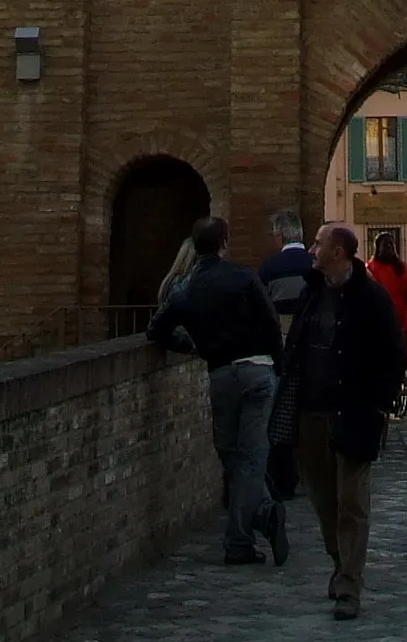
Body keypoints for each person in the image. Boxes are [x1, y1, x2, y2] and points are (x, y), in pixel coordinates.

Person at [271, 224, 405, 623]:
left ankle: (349, 584)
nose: (311, 250)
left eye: (319, 244)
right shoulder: (312, 291)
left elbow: (393, 353)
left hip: (354, 412)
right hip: (311, 411)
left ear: (339, 253)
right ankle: (338, 560)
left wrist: (380, 405)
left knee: (352, 502)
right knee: (323, 499)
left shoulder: (370, 298)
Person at [146, 216, 288, 569]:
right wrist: (277, 364)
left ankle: (254, 524)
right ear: (224, 242)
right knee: (251, 457)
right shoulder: (242, 277)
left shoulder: (185, 290)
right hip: (256, 369)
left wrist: (190, 345)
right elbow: (270, 322)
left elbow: (156, 330)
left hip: (221, 373)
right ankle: (252, 527)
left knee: (231, 454)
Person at [258, 209, 313, 327]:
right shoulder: (316, 264)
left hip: (280, 332)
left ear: (279, 237)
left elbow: (260, 307)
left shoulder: (269, 267)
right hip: (312, 331)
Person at [366, 228, 407, 322]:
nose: (389, 247)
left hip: (401, 318)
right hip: (379, 318)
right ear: (378, 248)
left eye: (391, 244)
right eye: (386, 245)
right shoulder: (371, 267)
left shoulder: (401, 266)